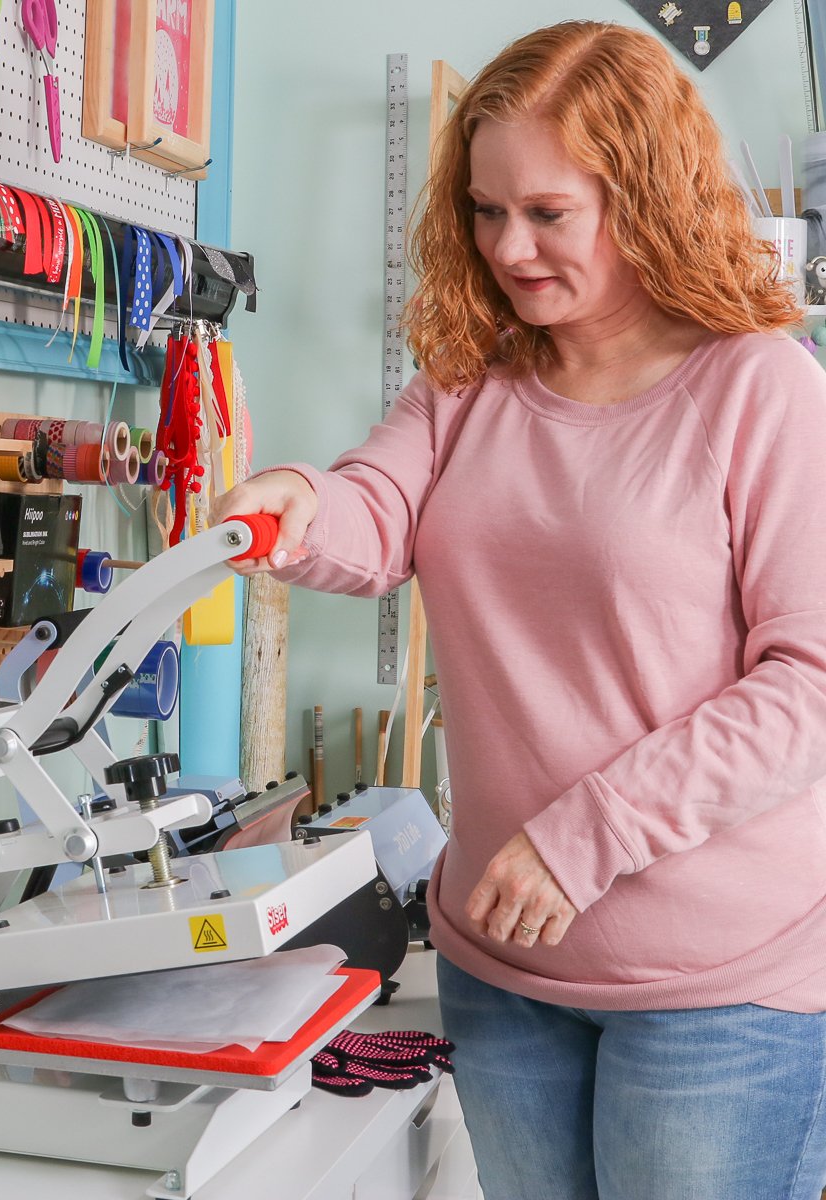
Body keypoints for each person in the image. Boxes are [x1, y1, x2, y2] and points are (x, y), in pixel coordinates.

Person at [213, 20, 826, 1200]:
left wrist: (583, 836)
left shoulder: (765, 390)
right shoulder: (472, 373)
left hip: (720, 991)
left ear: (646, 195)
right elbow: (378, 506)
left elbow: (809, 684)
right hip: (503, 967)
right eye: (488, 211)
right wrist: (298, 501)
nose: (509, 248)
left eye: (549, 213)